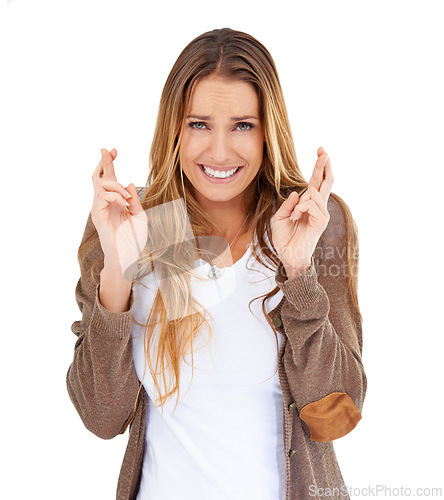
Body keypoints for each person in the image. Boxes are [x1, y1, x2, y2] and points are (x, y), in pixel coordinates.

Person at [67, 27, 367, 500]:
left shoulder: (308, 222)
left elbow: (335, 414)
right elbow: (102, 417)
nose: (220, 151)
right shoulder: (146, 224)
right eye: (199, 124)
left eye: (243, 125)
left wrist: (299, 275)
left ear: (269, 130)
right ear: (174, 129)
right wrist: (118, 272)